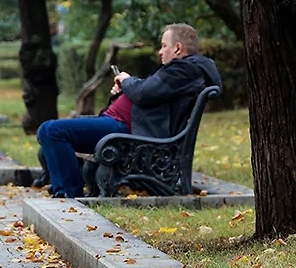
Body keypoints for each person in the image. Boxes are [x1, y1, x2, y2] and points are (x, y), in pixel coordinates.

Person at [36, 23, 222, 198]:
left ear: (178, 48)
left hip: (129, 133)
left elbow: (143, 93)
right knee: (50, 132)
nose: (160, 51)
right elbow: (148, 92)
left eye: (164, 45)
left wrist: (127, 81)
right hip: (121, 125)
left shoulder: (184, 70)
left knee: (52, 130)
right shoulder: (182, 70)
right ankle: (69, 191)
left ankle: (69, 195)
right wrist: (123, 91)